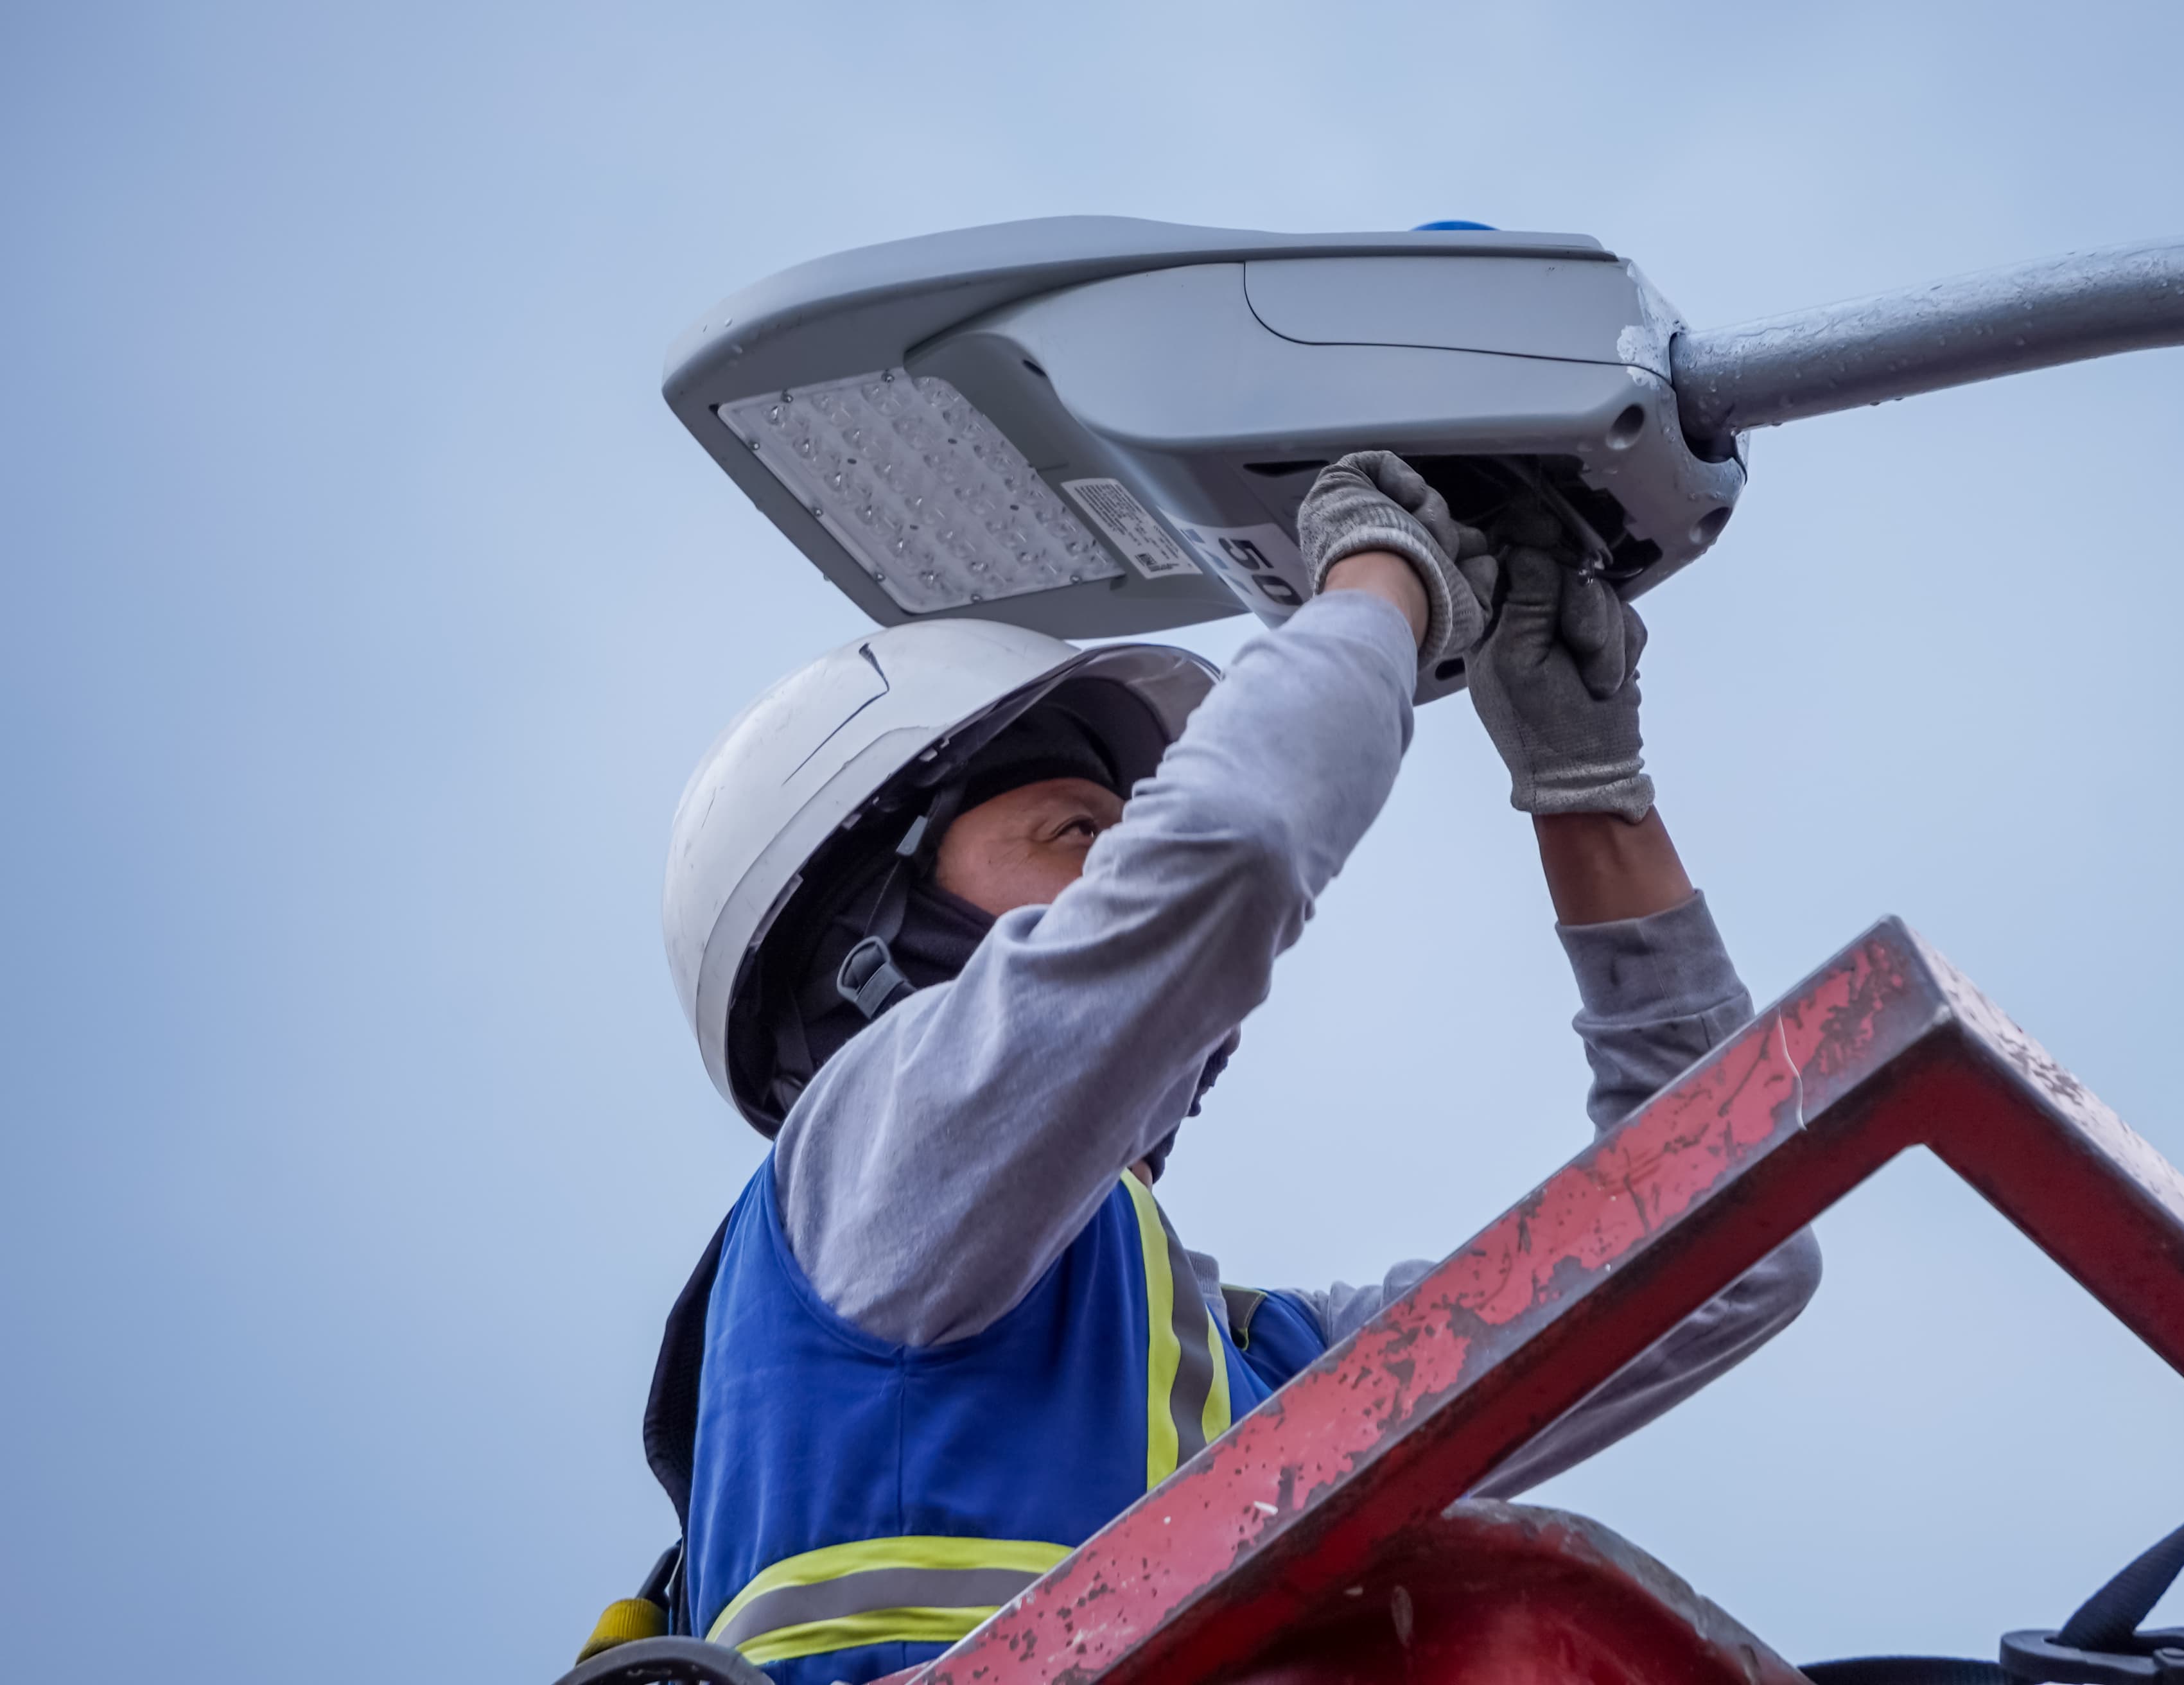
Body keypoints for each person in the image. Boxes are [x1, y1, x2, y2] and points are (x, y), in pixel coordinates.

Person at [620, 454, 1822, 1682]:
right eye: (1079, 832)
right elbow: (1237, 846)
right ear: (863, 948)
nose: (1127, 863)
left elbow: (1731, 1253)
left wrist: (1589, 790)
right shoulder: (870, 1161)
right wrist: (1375, 581)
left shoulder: (1246, 1386)